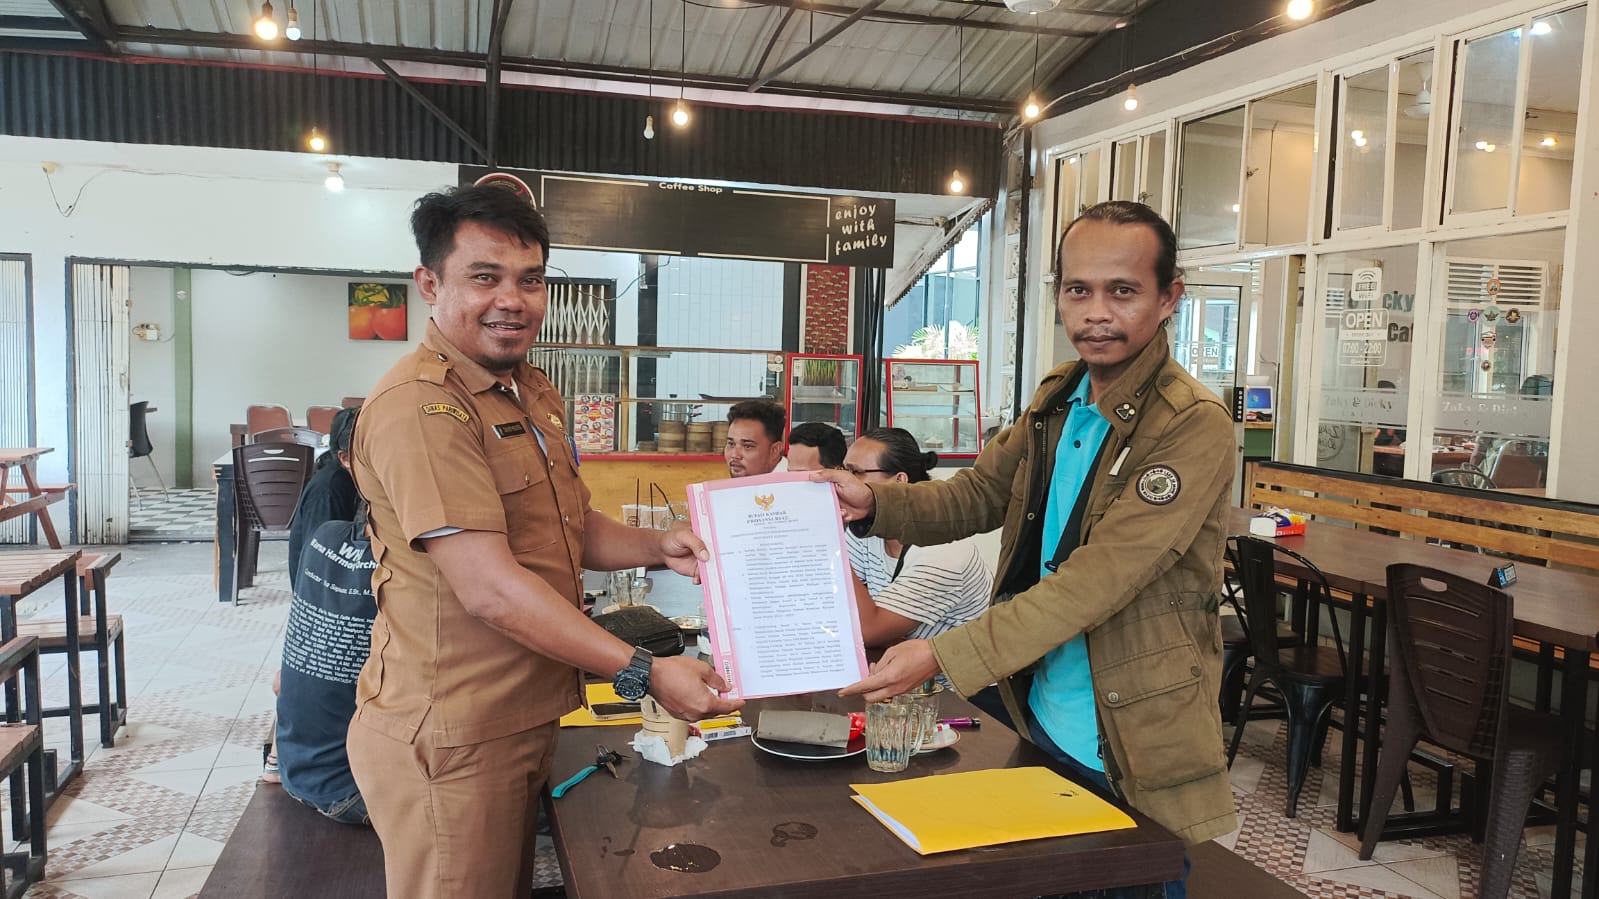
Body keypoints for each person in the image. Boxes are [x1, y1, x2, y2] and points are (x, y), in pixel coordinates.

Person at [822, 201, 1237, 893]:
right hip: (1041, 706)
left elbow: (1098, 578)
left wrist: (945, 652)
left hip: (1130, 728)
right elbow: (977, 494)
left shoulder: (1191, 423)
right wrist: (874, 502)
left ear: (1169, 298)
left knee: (1125, 882)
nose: (1096, 312)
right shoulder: (1060, 397)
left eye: (1123, 290)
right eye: (1078, 289)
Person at [347, 184, 740, 899]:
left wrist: (658, 545)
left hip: (525, 714)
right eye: (484, 277)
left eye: (530, 280)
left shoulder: (527, 388)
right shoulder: (423, 409)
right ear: (429, 284)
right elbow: (490, 590)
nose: (513, 300)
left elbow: (569, 525)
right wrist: (645, 671)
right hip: (456, 729)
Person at [842, 428, 991, 648]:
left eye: (855, 472)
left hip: (956, 669)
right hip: (897, 655)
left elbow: (868, 631)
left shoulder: (943, 552)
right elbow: (835, 598)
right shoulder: (866, 529)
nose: (844, 482)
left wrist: (828, 541)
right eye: (843, 470)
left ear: (899, 480)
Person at [275, 506, 377, 825]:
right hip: (351, 792)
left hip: (294, 770)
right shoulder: (401, 569)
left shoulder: (324, 536)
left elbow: (280, 682)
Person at [287, 406, 360, 581]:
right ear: (345, 458)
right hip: (323, 589)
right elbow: (323, 559)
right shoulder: (329, 489)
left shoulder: (349, 478)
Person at [724, 399, 785, 477]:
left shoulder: (791, 483)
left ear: (775, 451)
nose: (735, 455)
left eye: (747, 446)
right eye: (731, 444)